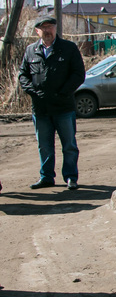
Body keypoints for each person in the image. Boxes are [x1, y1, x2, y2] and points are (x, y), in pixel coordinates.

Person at [18, 16, 86, 190]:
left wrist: (63, 92)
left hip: (63, 107)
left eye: (50, 27)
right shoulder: (31, 50)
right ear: (37, 31)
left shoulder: (68, 48)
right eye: (43, 28)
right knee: (44, 146)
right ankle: (46, 176)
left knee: (69, 145)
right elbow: (23, 75)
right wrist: (33, 92)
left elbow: (78, 74)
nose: (47, 31)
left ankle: (71, 177)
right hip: (41, 108)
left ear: (56, 29)